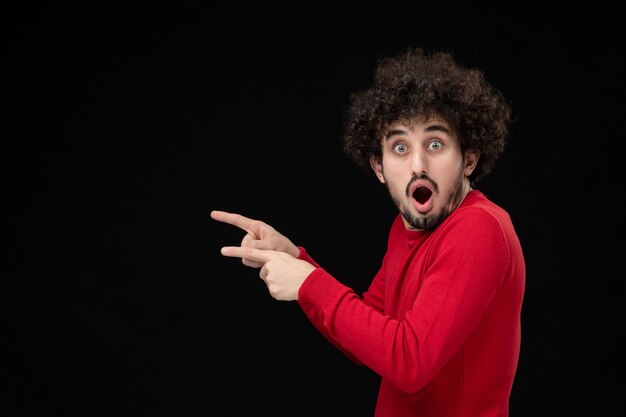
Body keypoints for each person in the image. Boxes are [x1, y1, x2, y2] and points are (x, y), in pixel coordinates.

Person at [211, 47, 525, 417]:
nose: (418, 165)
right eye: (400, 148)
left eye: (435, 144)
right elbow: (366, 336)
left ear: (468, 159)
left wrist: (309, 282)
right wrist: (296, 258)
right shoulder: (405, 230)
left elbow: (410, 361)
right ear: (379, 167)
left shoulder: (479, 228)